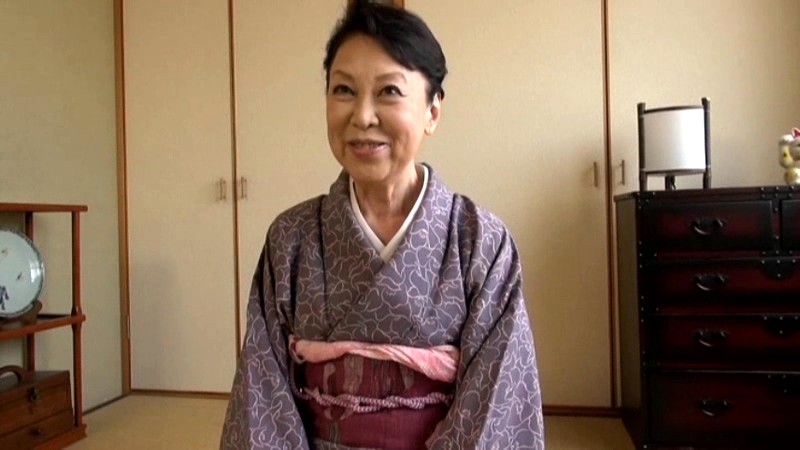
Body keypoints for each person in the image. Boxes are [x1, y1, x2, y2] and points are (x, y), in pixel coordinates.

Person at [220, 1, 544, 448]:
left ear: (432, 111)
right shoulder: (291, 239)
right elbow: (263, 398)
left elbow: (496, 404)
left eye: (389, 91)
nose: (362, 116)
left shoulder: (480, 241)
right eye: (344, 90)